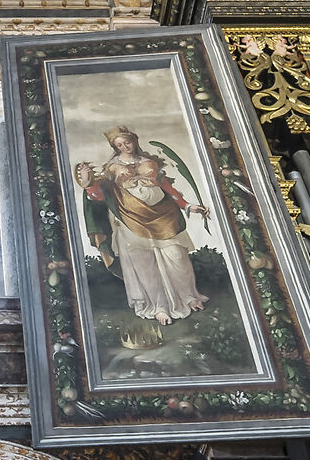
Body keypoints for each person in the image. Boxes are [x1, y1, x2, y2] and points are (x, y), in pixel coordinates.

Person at [73, 128, 209, 324]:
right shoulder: (110, 168)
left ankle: (188, 297)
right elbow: (101, 196)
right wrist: (87, 184)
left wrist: (187, 205)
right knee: (144, 264)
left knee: (178, 257)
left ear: (134, 141)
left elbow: (167, 188)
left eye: (126, 142)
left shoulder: (148, 162)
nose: (124, 147)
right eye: (119, 145)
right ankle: (157, 306)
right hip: (129, 220)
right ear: (115, 147)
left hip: (164, 216)